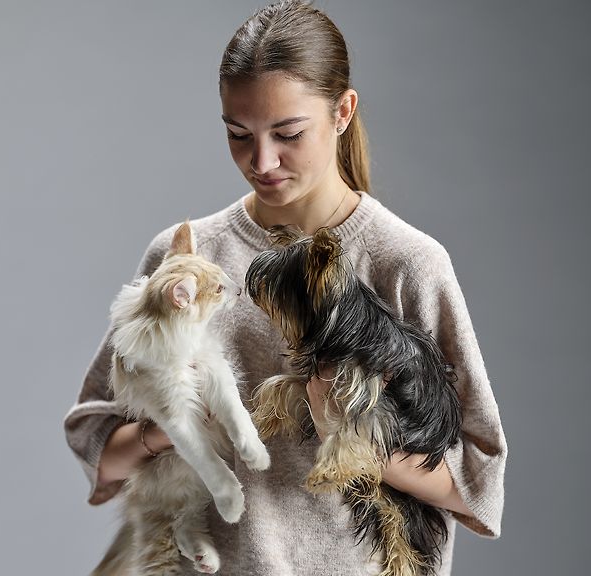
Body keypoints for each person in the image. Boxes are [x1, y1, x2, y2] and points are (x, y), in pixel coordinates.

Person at [63, 2, 507, 574]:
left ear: (343, 112)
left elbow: (479, 478)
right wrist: (174, 425)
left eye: (288, 133)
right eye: (238, 134)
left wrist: (349, 438)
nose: (262, 160)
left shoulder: (406, 262)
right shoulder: (187, 258)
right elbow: (97, 446)